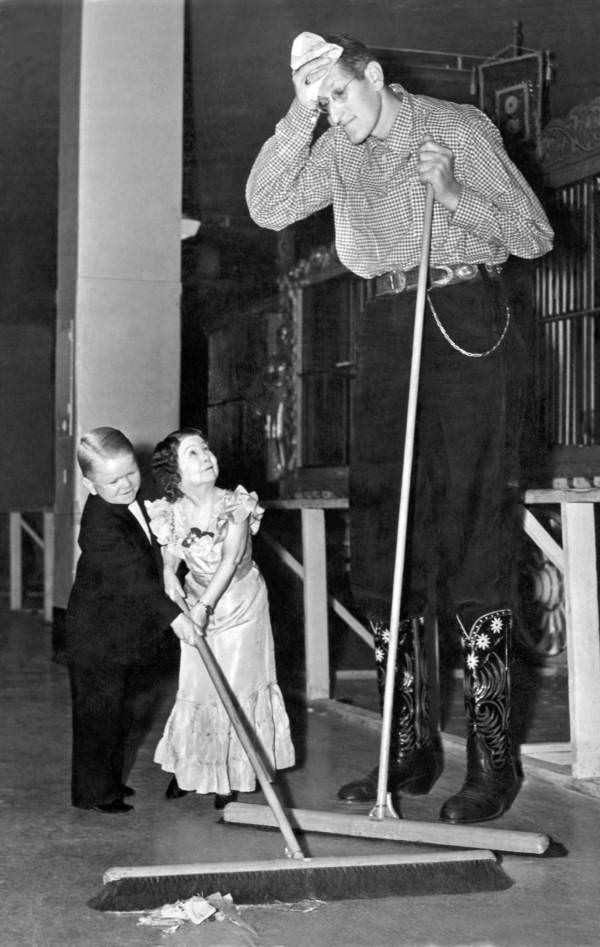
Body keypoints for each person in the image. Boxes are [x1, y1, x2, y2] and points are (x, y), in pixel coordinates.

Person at [246, 32, 554, 823]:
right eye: (323, 101)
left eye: (341, 93)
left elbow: (534, 234)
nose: (336, 111)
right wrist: (299, 112)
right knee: (386, 536)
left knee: (473, 530)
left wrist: (453, 195)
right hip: (387, 322)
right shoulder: (338, 145)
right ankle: (407, 748)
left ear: (374, 75)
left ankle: (493, 762)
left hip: (466, 318)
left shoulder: (455, 127)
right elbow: (268, 204)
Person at [146, 428, 295, 807]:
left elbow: (230, 561)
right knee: (198, 688)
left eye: (207, 449)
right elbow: (173, 549)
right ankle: (191, 770)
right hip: (197, 601)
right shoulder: (172, 509)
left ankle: (231, 777)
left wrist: (203, 608)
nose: (207, 456)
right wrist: (168, 572)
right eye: (194, 453)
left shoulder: (235, 505)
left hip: (240, 604)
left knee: (236, 688)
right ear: (175, 474)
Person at [65, 427, 198, 813]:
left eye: (130, 474)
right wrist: (175, 618)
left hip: (118, 633)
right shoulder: (99, 528)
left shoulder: (129, 503)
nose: (126, 485)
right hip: (95, 638)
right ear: (90, 485)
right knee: (97, 718)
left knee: (116, 713)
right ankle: (94, 794)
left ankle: (108, 783)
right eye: (112, 481)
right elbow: (135, 581)